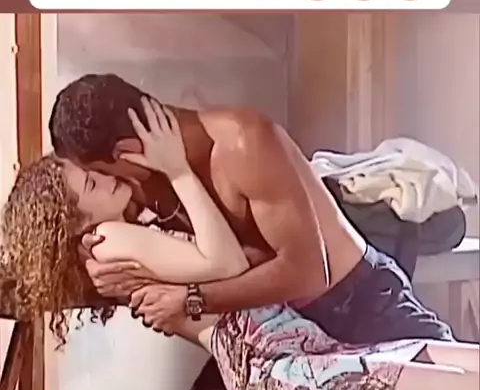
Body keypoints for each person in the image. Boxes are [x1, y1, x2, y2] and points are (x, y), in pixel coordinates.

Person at [2, 99, 479, 390]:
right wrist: (178, 169)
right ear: (76, 224)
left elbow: (235, 269)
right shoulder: (110, 241)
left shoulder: (129, 235)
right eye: (92, 182)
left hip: (304, 352)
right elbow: (228, 264)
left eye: (96, 171)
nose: (108, 178)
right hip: (278, 376)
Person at [48, 74, 454, 349]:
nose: (107, 183)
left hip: (357, 302)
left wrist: (191, 299)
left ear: (125, 152)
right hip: (275, 330)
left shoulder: (244, 144)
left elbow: (309, 271)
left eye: (101, 174)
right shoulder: (141, 178)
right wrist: (95, 264)